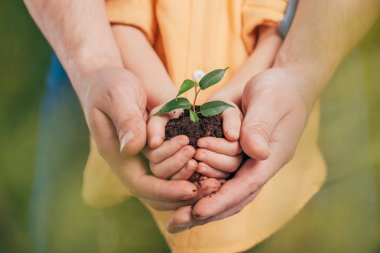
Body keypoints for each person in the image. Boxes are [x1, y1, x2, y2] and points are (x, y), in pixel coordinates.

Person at [24, 0, 379, 252]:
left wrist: (296, 71)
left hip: (308, 45)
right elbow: (121, 15)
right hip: (96, 39)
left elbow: (277, 26)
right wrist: (97, 67)